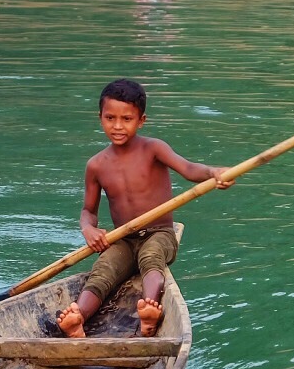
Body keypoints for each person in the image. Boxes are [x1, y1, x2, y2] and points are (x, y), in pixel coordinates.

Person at [55, 79, 228, 339]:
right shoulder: (96, 165)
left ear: (141, 120)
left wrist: (213, 173)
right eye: (110, 118)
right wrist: (88, 228)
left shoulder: (154, 149)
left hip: (159, 232)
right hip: (123, 239)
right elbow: (88, 210)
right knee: (102, 271)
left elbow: (189, 169)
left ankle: (149, 311)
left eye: (127, 119)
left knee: (151, 257)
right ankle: (78, 317)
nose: (117, 126)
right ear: (99, 117)